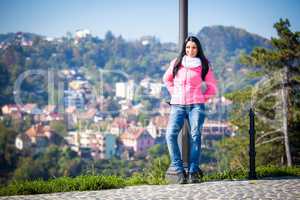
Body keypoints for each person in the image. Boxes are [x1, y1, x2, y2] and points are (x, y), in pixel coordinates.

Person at [163, 36, 217, 184]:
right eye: (188, 47)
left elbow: (212, 87)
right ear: (184, 48)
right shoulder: (176, 62)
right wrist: (174, 93)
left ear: (198, 49)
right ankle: (178, 169)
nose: (190, 50)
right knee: (170, 135)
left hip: (196, 106)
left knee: (195, 136)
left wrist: (202, 99)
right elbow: (166, 79)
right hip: (177, 105)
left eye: (193, 47)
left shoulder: (204, 64)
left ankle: (193, 171)